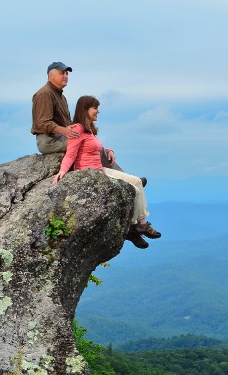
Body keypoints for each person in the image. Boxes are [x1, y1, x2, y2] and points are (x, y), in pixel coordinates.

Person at [52, 95, 160, 250]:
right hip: (89, 172)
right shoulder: (77, 129)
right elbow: (71, 153)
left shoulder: (89, 130)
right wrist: (62, 171)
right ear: (85, 110)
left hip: (100, 169)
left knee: (136, 181)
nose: (97, 111)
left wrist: (108, 151)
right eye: (95, 108)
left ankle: (142, 224)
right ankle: (135, 225)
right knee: (134, 189)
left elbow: (95, 147)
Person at [32, 62, 128, 174]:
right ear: (51, 76)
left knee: (91, 142)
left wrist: (106, 150)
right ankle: (123, 177)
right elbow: (42, 123)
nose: (66, 76)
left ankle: (124, 178)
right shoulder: (45, 94)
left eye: (67, 73)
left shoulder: (61, 96)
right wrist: (64, 131)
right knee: (87, 144)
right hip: (49, 140)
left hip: (61, 137)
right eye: (62, 73)